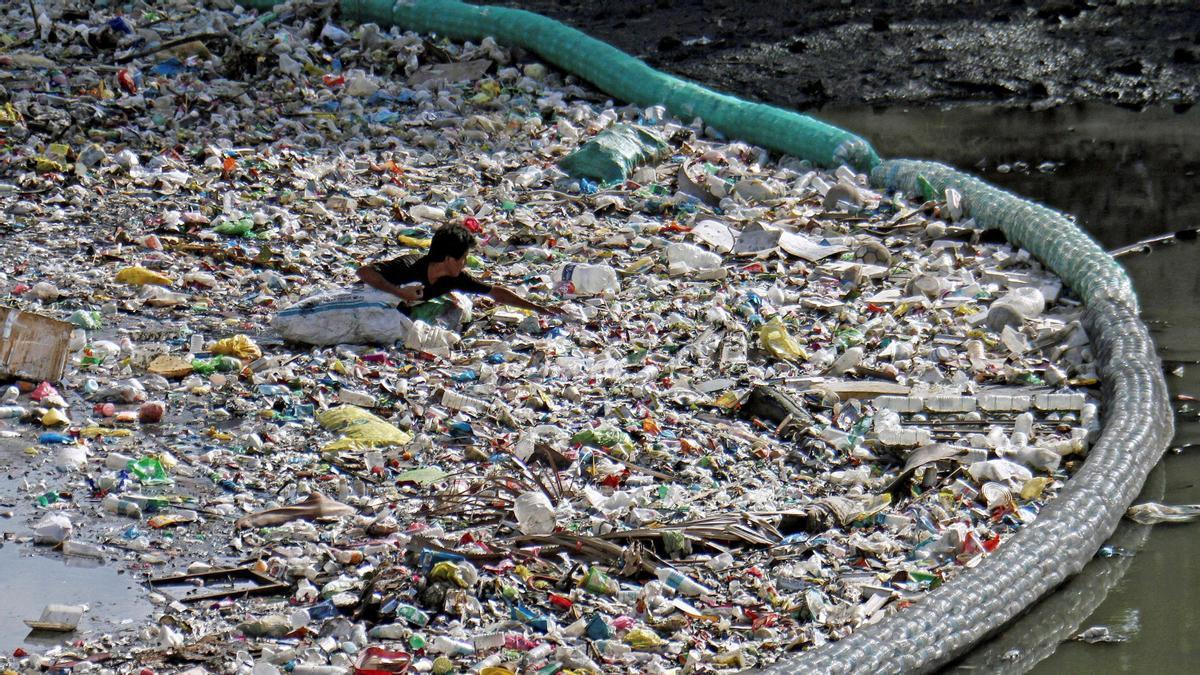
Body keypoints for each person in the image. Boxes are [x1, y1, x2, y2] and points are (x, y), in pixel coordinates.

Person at [357, 223, 561, 317]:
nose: (464, 263)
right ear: (448, 259)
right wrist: (399, 292)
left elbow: (496, 293)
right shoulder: (410, 266)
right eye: (462, 258)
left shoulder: (453, 279)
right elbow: (364, 272)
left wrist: (539, 309)